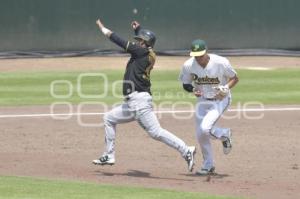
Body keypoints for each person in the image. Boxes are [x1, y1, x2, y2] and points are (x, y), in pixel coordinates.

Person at [93, 18, 196, 172]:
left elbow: (118, 40)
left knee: (155, 132)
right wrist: (138, 30)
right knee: (108, 118)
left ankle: (186, 150)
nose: (137, 42)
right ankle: (109, 155)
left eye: (140, 40)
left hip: (138, 101)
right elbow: (144, 43)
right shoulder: (146, 53)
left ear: (145, 43)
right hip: (132, 102)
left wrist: (103, 28)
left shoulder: (141, 51)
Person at [179, 39, 239, 175]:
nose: (199, 58)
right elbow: (185, 84)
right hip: (202, 101)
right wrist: (192, 89)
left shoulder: (220, 62)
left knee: (205, 128)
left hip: (220, 99)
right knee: (201, 135)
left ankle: (224, 134)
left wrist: (225, 87)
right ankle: (208, 165)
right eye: (196, 55)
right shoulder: (188, 65)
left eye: (201, 54)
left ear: (206, 51)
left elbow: (235, 78)